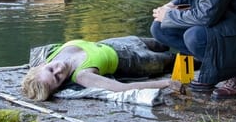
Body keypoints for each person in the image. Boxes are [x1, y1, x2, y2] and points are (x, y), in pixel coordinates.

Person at [21, 36, 176, 101]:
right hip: (134, 60)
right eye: (57, 78)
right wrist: (166, 83)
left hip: (115, 42)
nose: (58, 70)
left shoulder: (48, 55)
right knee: (175, 59)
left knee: (163, 40)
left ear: (42, 65)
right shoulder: (83, 76)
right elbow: (122, 88)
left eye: (50, 70)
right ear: (60, 85)